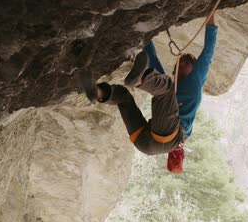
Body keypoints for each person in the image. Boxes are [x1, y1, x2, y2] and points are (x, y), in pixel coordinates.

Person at [77, 14, 217, 173]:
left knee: (164, 87)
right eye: (182, 61)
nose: (184, 63)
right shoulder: (165, 85)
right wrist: (143, 29)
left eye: (189, 63)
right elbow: (150, 56)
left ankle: (137, 80)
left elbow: (207, 54)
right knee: (124, 97)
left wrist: (211, 18)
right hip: (147, 143)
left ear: (195, 70)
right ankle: (97, 92)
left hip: (166, 138)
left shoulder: (195, 81)